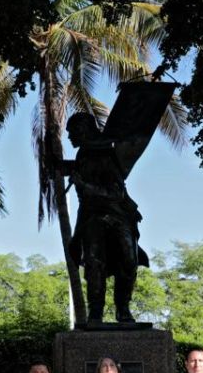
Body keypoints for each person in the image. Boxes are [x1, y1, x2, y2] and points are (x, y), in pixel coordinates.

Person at [63, 112, 150, 324]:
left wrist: (84, 185)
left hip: (118, 213)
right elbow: (79, 170)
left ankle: (123, 309)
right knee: (94, 263)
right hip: (91, 216)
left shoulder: (107, 150)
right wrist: (57, 165)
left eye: (72, 132)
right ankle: (96, 312)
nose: (69, 137)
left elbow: (115, 192)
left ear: (84, 130)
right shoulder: (83, 153)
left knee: (129, 260)